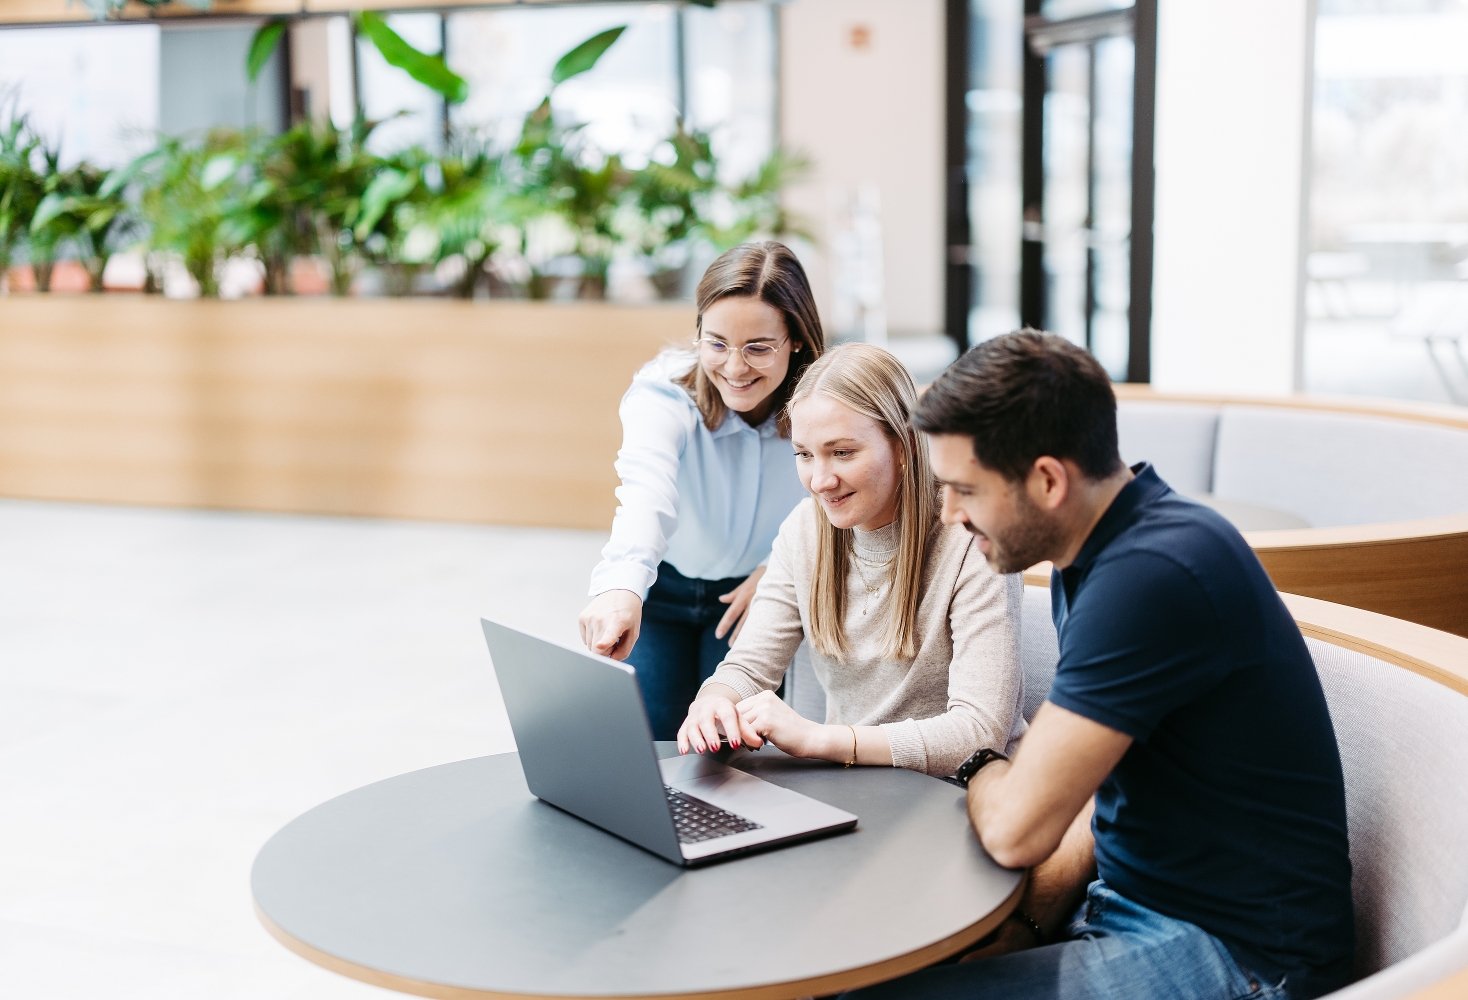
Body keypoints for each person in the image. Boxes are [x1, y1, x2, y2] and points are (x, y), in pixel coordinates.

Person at [844, 331, 1354, 1000]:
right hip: (1133, 905)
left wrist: (981, 764)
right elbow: (1093, 791)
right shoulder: (1093, 554)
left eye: (964, 489)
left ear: (1049, 480)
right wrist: (1031, 917)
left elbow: (1014, 829)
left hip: (1244, 956)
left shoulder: (1152, 575)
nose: (948, 514)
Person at [676, 343, 1026, 777]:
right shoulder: (805, 530)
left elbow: (978, 734)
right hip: (855, 785)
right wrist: (713, 701)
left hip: (959, 793)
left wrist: (819, 739)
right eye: (804, 454)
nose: (820, 481)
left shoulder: (972, 538)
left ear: (902, 445)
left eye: (842, 452)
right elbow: (748, 667)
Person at [579, 242, 826, 741]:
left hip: (753, 597)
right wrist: (621, 588)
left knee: (727, 749)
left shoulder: (825, 401)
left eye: (758, 347)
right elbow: (644, 492)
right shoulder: (664, 392)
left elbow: (842, 501)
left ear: (796, 340)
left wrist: (781, 568)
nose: (735, 368)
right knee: (653, 743)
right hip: (663, 590)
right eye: (716, 343)